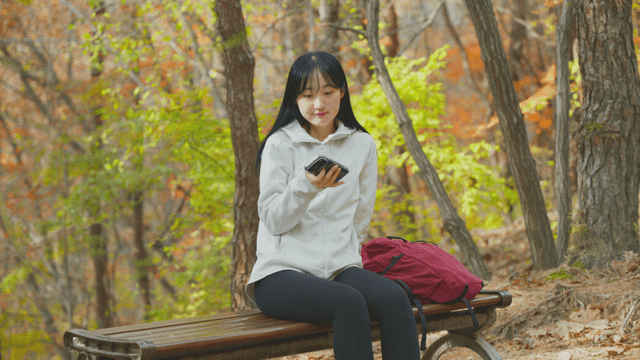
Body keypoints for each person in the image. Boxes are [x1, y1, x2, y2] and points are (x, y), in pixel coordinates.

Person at [245, 51, 420, 360]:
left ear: (342, 91)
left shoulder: (361, 144)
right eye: (308, 95)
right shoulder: (280, 145)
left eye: (328, 92)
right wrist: (305, 186)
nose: (319, 104)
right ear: (295, 99)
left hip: (339, 269)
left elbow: (361, 215)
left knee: (394, 297)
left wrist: (345, 255)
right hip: (281, 274)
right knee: (349, 302)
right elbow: (272, 221)